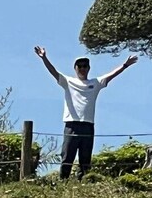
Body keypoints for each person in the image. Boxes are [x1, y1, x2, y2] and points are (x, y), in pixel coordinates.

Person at [34, 46, 138, 180]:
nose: (82, 68)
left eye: (85, 66)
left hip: (88, 125)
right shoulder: (68, 82)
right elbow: (53, 71)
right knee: (67, 156)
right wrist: (44, 58)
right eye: (79, 66)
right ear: (75, 68)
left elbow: (111, 75)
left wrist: (125, 65)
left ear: (88, 68)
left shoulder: (95, 83)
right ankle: (63, 181)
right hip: (71, 125)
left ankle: (83, 182)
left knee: (85, 157)